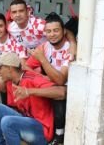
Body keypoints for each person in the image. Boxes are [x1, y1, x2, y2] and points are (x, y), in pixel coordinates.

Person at [0, 52, 66, 145]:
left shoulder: (31, 78)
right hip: (26, 120)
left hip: (42, 130)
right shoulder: (11, 81)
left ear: (10, 68)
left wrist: (29, 91)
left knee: (7, 122)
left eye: (0, 68)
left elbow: (62, 92)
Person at [26, 12, 71, 143]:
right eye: (49, 31)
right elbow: (25, 66)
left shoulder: (70, 49)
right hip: (52, 83)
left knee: (57, 94)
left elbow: (61, 80)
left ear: (64, 31)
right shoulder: (45, 46)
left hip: (68, 87)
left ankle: (59, 135)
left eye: (56, 30)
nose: (52, 34)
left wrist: (42, 61)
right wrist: (41, 76)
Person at [8, 0, 77, 59]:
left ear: (28, 12)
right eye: (14, 12)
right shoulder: (11, 28)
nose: (18, 15)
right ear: (11, 15)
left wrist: (73, 44)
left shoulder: (38, 25)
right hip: (33, 58)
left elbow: (66, 31)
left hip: (52, 56)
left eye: (21, 11)